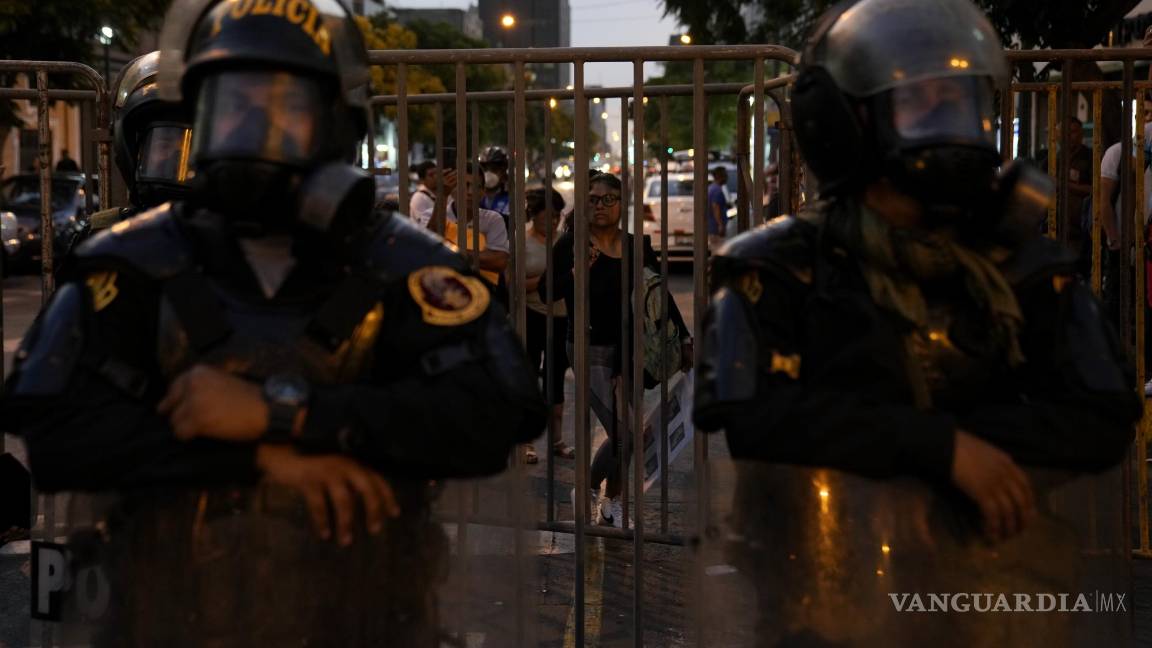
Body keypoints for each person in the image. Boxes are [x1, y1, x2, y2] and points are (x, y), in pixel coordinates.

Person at [6, 0, 545, 643]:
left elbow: (500, 408)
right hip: (166, 617)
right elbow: (56, 431)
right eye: (232, 106)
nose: (254, 129)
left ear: (335, 127)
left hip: (366, 615)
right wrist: (266, 459)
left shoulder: (400, 264)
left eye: (283, 107)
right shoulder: (131, 263)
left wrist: (285, 412)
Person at [696, 0, 1138, 641]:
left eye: (961, 101)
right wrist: (944, 451)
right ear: (844, 122)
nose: (952, 123)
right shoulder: (778, 267)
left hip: (997, 598)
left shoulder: (1025, 267)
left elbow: (1103, 413)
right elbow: (752, 414)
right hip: (823, 602)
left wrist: (959, 455)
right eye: (922, 104)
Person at [548, 172, 689, 527]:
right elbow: (549, 292)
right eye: (592, 199)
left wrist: (685, 337)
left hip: (630, 350)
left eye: (607, 200)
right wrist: (579, 271)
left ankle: (611, 502)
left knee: (626, 438)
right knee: (625, 434)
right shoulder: (572, 243)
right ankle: (588, 488)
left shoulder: (634, 245)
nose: (599, 206)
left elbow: (659, 294)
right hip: (589, 346)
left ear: (620, 204)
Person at [524, 187, 575, 462]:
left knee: (556, 381)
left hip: (561, 318)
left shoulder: (565, 242)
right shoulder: (523, 242)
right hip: (532, 316)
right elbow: (512, 285)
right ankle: (528, 443)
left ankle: (557, 440)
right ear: (534, 216)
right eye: (547, 217)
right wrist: (546, 281)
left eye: (556, 217)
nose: (552, 222)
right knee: (530, 377)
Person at [428, 164, 510, 290]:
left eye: (477, 187)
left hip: (482, 292)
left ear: (483, 192)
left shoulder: (493, 219)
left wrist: (450, 252)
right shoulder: (430, 215)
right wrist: (442, 196)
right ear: (452, 188)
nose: (471, 192)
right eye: (465, 186)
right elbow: (428, 249)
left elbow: (499, 262)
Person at [407, 159, 453, 228]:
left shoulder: (445, 191)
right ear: (422, 180)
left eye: (437, 173)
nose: (436, 177)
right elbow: (426, 227)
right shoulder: (419, 197)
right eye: (431, 175)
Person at [478, 145, 512, 228]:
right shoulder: (471, 196)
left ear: (503, 171)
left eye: (494, 169)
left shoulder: (513, 198)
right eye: (485, 169)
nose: (488, 173)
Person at [707, 166, 728, 249]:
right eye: (725, 175)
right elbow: (716, 207)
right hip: (715, 228)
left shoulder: (711, 188)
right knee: (717, 250)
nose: (727, 177)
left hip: (711, 227)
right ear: (720, 176)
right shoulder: (717, 190)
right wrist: (720, 225)